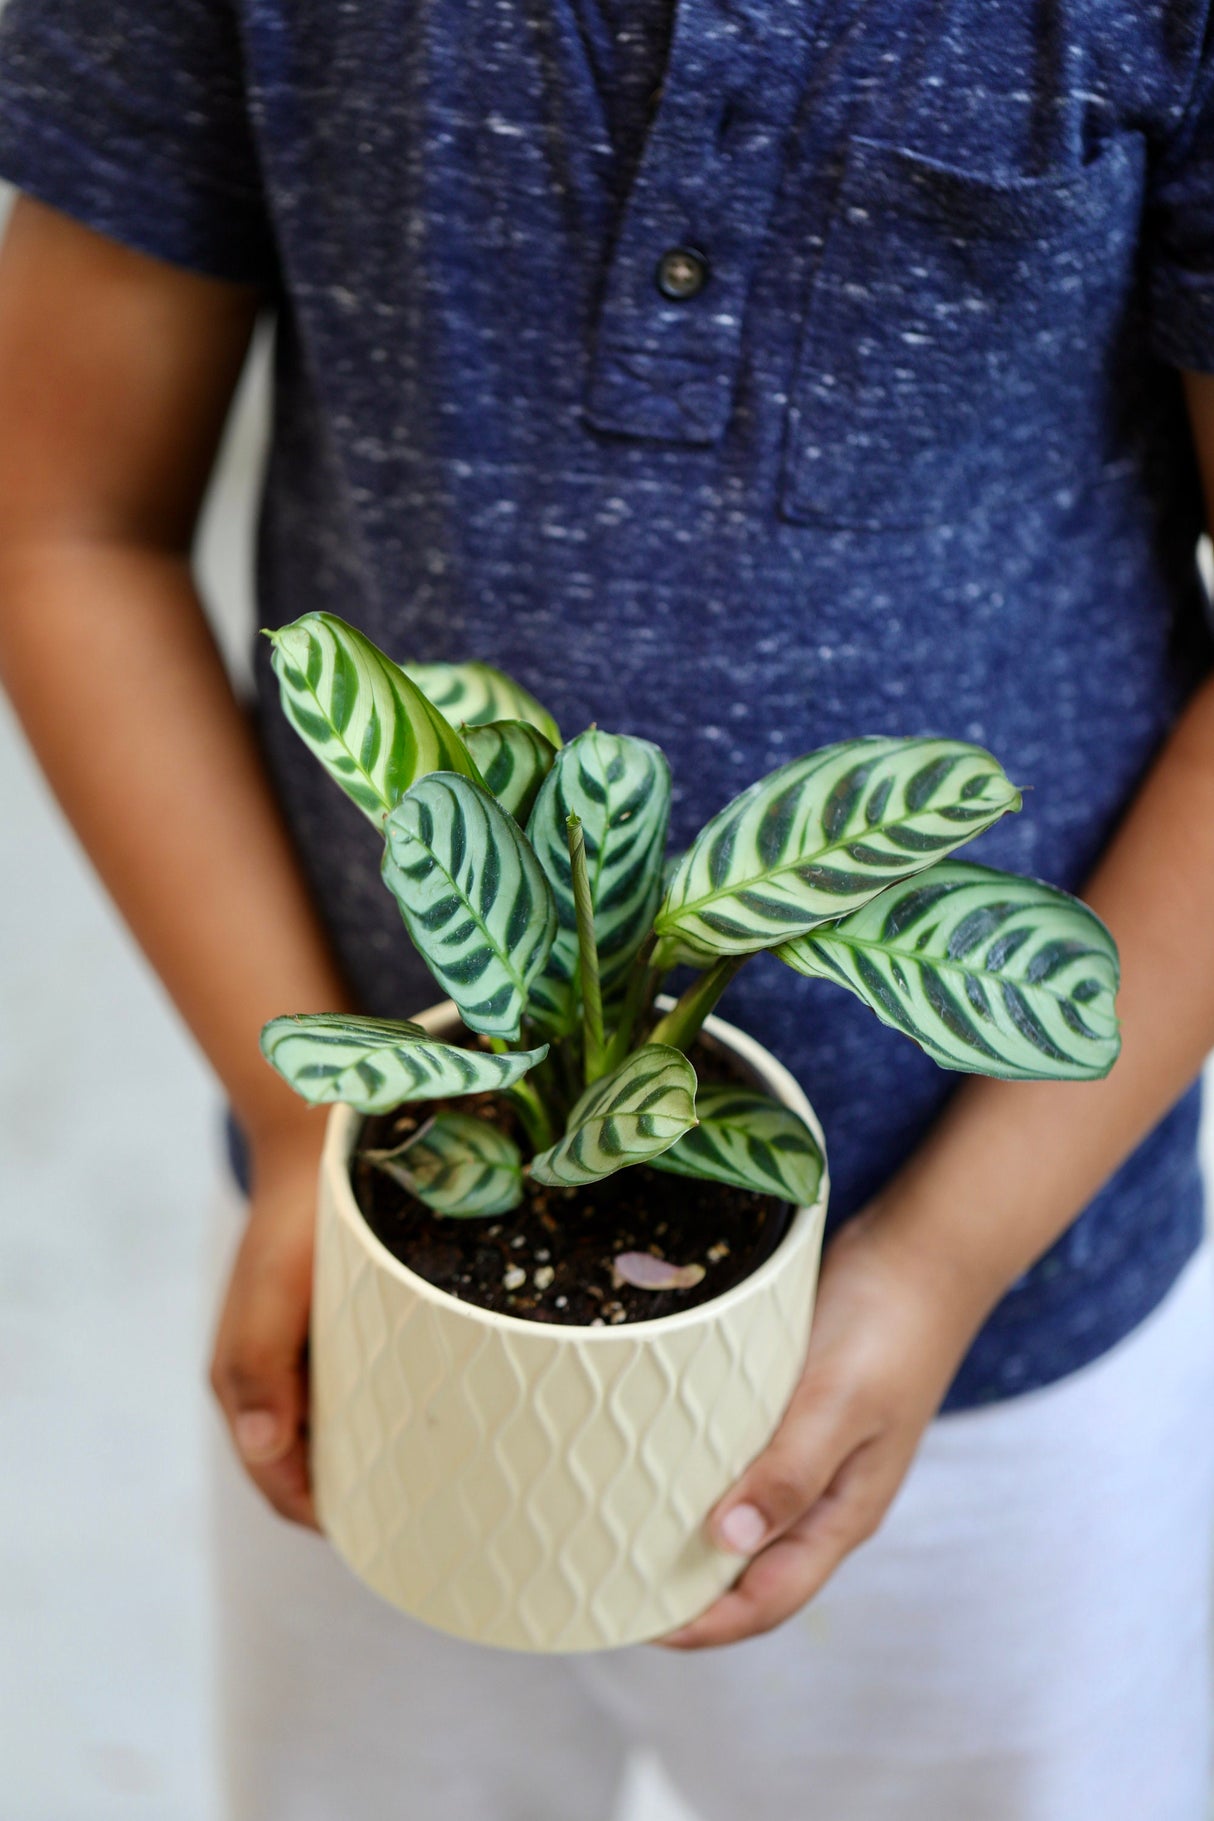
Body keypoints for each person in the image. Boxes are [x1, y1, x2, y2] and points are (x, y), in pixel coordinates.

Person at [2, 0, 1214, 1814]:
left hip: (1000, 1365)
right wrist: (290, 1125)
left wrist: (944, 1262)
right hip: (373, 1279)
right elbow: (60, 519)